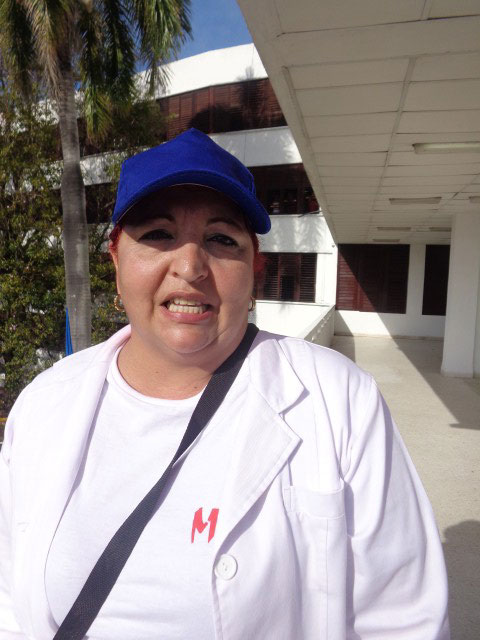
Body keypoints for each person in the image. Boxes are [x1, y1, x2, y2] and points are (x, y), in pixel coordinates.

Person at [0, 128, 449, 640]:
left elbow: (404, 617)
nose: (190, 267)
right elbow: (10, 600)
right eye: (158, 234)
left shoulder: (340, 400)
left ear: (255, 268)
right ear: (116, 261)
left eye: (221, 239)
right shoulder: (44, 404)